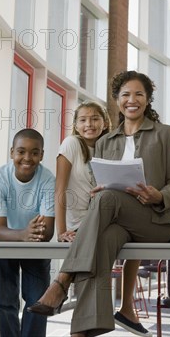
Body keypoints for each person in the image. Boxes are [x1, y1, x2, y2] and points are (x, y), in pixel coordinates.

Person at [28, 70, 170, 337]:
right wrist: (99, 191)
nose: (132, 99)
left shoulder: (166, 134)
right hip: (118, 221)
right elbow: (100, 186)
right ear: (117, 100)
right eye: (125, 94)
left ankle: (62, 280)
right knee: (101, 243)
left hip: (155, 221)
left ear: (148, 99)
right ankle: (85, 330)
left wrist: (159, 196)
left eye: (139, 94)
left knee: (107, 198)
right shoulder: (104, 141)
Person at [0, 128, 55, 337]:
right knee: (5, 301)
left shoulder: (48, 180)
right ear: (11, 152)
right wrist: (24, 233)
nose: (27, 158)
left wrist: (29, 235)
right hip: (3, 244)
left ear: (42, 155)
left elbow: (48, 231)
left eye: (35, 152)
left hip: (34, 244)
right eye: (21, 151)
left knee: (37, 301)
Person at [55, 100, 111, 242]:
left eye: (95, 119)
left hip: (101, 223)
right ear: (76, 125)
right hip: (76, 226)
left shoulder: (109, 149)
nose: (89, 124)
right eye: (83, 120)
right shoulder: (71, 143)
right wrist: (61, 232)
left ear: (104, 123)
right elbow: (59, 189)